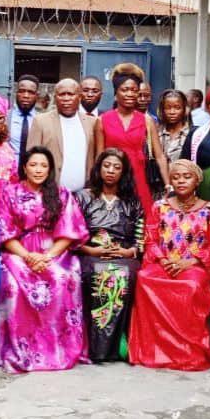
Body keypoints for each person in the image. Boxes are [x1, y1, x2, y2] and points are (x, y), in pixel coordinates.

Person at [0, 147, 89, 373]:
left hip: (54, 252)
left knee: (62, 279)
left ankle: (58, 347)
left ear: (50, 169)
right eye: (33, 164)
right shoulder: (9, 192)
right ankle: (22, 347)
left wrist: (48, 256)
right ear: (24, 167)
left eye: (43, 165)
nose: (38, 169)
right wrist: (27, 256)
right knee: (13, 286)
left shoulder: (62, 194)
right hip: (19, 251)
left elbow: (70, 231)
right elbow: (5, 231)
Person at [129, 159, 210, 371]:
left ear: (197, 180)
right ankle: (153, 350)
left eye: (186, 177)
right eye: (176, 177)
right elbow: (150, 239)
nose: (181, 181)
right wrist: (163, 259)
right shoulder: (159, 206)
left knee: (191, 286)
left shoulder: (209, 210)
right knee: (145, 279)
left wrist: (189, 262)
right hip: (164, 262)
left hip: (194, 265)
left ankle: (187, 351)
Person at [75, 149, 144, 362]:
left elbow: (140, 238)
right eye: (106, 166)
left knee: (125, 274)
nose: (111, 171)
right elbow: (73, 232)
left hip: (122, 253)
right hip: (90, 252)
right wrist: (90, 250)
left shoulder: (132, 201)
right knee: (96, 273)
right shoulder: (83, 196)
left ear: (124, 172)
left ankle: (117, 344)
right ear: (98, 168)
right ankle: (95, 347)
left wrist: (129, 251)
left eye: (116, 167)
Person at [95, 63, 169, 223]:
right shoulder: (102, 120)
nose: (130, 94)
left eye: (134, 90)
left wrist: (168, 184)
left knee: (141, 224)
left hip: (139, 180)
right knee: (112, 223)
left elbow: (160, 156)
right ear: (116, 93)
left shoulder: (146, 120)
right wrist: (96, 186)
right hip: (112, 181)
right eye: (125, 90)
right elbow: (99, 157)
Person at [27, 78, 97, 193]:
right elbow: (31, 159)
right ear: (55, 98)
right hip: (50, 193)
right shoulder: (40, 121)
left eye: (70, 94)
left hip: (83, 194)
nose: (66, 99)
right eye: (61, 94)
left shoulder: (92, 122)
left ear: (79, 97)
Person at [8, 74, 40, 161]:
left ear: (37, 95)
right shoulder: (5, 117)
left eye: (31, 92)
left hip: (33, 171)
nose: (26, 95)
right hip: (9, 170)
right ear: (16, 93)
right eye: (22, 91)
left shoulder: (42, 120)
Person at [156, 89, 191, 164]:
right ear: (162, 110)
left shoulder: (192, 133)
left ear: (185, 109)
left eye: (177, 108)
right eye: (168, 108)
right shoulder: (156, 132)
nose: (172, 112)